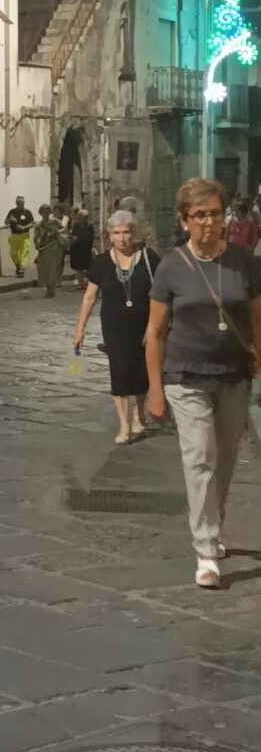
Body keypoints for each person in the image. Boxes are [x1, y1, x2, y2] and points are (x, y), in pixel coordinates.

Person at [146, 178, 261, 589]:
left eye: (216, 213)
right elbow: (155, 332)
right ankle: (206, 551)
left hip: (233, 376)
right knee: (200, 459)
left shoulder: (245, 262)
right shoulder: (171, 267)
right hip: (185, 378)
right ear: (184, 220)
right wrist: (156, 390)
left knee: (225, 464)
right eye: (200, 215)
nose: (210, 222)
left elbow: (256, 317)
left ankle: (215, 524)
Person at [74, 211, 160, 444]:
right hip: (114, 327)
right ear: (110, 236)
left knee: (142, 371)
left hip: (145, 325)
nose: (122, 238)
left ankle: (139, 413)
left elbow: (162, 294)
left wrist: (158, 324)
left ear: (133, 233)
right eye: (116, 233)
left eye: (126, 232)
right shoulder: (101, 263)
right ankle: (123, 424)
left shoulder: (148, 258)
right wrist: (79, 329)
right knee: (119, 372)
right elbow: (90, 297)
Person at [34, 204, 66, 298]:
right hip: (44, 249)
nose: (45, 213)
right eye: (43, 211)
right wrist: (36, 245)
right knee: (45, 271)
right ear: (40, 213)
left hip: (55, 249)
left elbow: (63, 228)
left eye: (47, 211)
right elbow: (36, 237)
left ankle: (52, 289)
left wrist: (58, 232)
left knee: (53, 270)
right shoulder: (38, 225)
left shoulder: (55, 222)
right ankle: (49, 288)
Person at [5, 196, 34, 278]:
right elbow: (5, 221)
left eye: (21, 203)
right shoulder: (12, 212)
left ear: (23, 203)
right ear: (16, 203)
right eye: (18, 203)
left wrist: (24, 227)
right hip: (14, 235)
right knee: (13, 253)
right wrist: (11, 220)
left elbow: (32, 223)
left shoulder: (27, 212)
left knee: (24, 252)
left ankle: (21, 269)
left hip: (24, 235)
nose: (19, 205)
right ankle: (18, 265)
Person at [69, 209, 94, 289]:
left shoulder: (89, 226)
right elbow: (72, 234)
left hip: (85, 248)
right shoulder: (76, 225)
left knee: (88, 267)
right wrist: (73, 238)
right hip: (76, 248)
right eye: (81, 217)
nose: (82, 219)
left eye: (84, 217)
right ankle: (81, 284)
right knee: (78, 268)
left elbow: (90, 237)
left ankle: (91, 283)